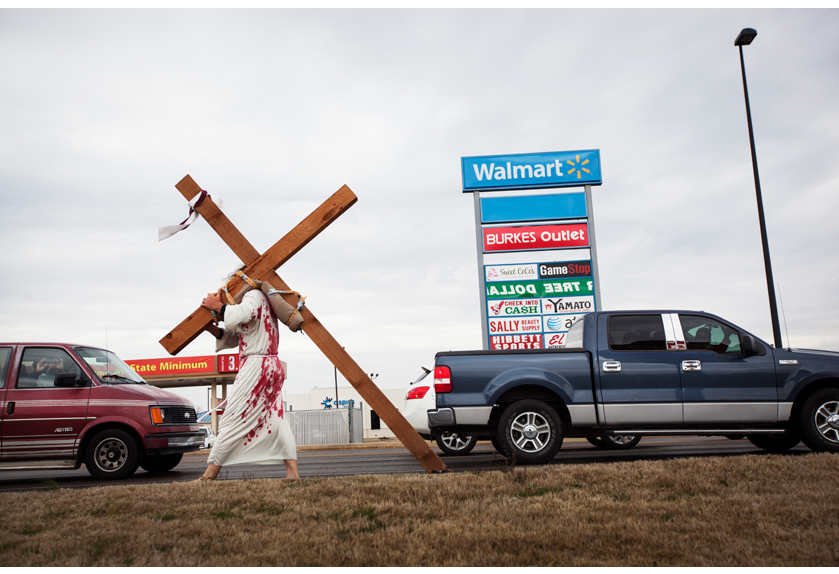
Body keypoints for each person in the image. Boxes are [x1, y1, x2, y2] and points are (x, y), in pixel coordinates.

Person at [194, 286, 299, 481]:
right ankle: (292, 474)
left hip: (256, 366)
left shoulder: (253, 295)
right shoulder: (265, 301)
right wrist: (212, 328)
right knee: (276, 420)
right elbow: (239, 336)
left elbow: (243, 314)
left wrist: (219, 306)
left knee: (232, 418)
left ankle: (209, 477)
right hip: (271, 365)